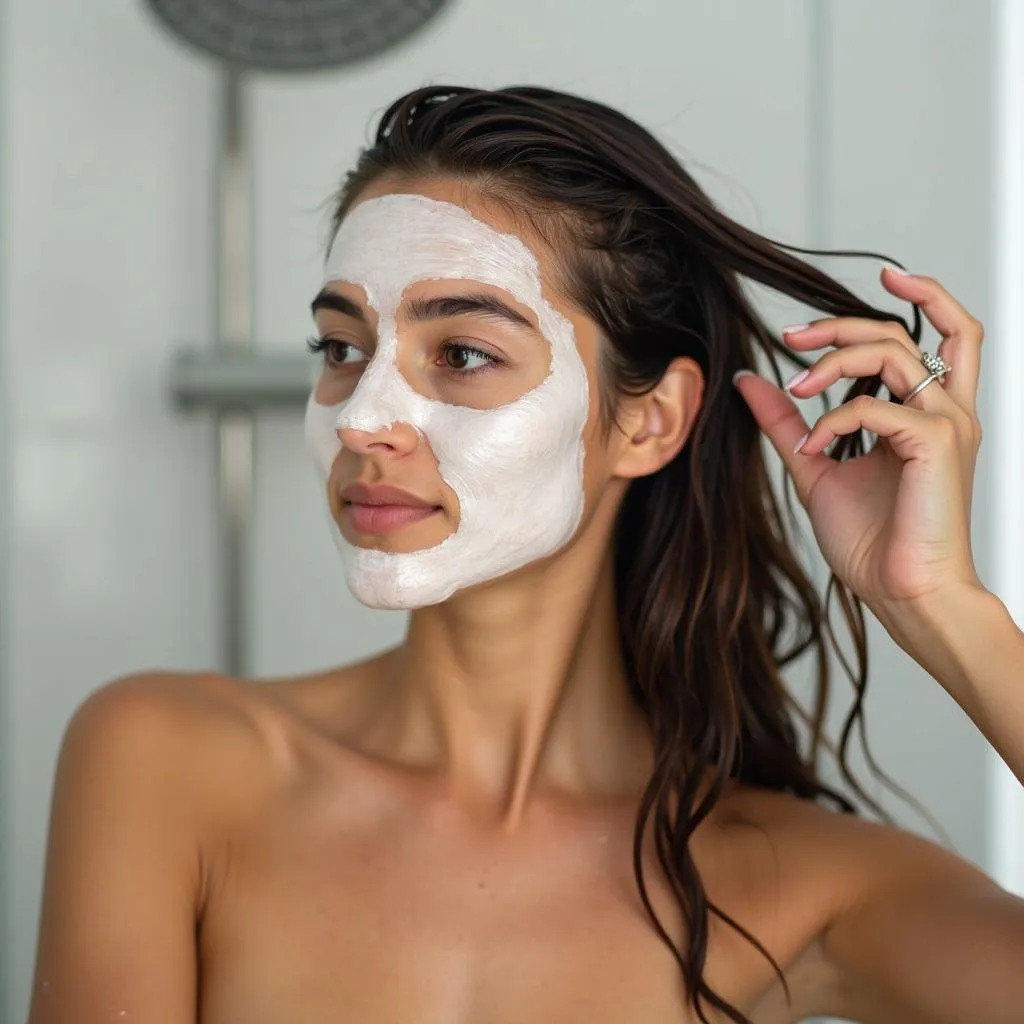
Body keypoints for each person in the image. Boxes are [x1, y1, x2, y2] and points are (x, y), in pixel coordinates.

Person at [26, 85, 1024, 1024]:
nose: (365, 417)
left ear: (649, 421)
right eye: (341, 348)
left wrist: (943, 605)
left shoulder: (805, 884)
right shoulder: (165, 761)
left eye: (460, 354)